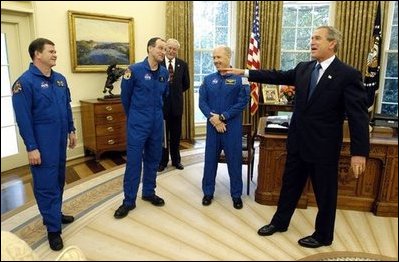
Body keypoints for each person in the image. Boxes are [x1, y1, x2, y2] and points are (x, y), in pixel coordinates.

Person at [222, 26, 369, 247]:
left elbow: (358, 116)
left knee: (325, 194)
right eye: (311, 38)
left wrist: (359, 153)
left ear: (332, 43)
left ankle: (323, 235)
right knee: (289, 185)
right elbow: (277, 75)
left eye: (317, 38)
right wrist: (245, 72)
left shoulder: (347, 74)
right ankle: (280, 222)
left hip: (324, 148)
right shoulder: (304, 68)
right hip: (298, 142)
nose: (312, 42)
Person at [11, 38, 77, 251]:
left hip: (59, 141)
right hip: (42, 142)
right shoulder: (25, 83)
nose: (55, 54)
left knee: (58, 180)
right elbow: (23, 119)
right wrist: (31, 147)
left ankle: (54, 214)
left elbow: (66, 107)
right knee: (45, 184)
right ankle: (52, 229)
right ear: (37, 54)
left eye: (55, 51)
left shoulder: (60, 80)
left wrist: (72, 129)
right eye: (51, 51)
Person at [114, 37, 169, 219]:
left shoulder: (164, 73)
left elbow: (164, 96)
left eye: (165, 49)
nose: (163, 51)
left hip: (156, 123)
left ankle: (148, 192)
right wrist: (135, 116)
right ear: (150, 49)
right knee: (134, 162)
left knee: (154, 158)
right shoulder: (134, 71)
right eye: (160, 48)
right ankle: (128, 200)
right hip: (138, 123)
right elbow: (125, 98)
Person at [199, 45, 250, 209]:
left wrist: (222, 117)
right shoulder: (208, 79)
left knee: (234, 161)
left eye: (219, 57)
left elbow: (242, 102)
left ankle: (236, 195)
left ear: (229, 57)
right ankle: (208, 192)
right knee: (210, 160)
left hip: (232, 128)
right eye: (214, 58)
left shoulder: (241, 78)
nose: (215, 61)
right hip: (213, 127)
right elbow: (202, 102)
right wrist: (213, 119)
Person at [158, 38, 190, 172]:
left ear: (177, 51)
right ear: (165, 49)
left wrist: (174, 94)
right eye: (169, 48)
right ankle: (162, 161)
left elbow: (186, 84)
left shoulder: (182, 64)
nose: (171, 51)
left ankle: (176, 161)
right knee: (163, 136)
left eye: (174, 49)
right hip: (162, 107)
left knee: (176, 136)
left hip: (177, 107)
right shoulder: (159, 65)